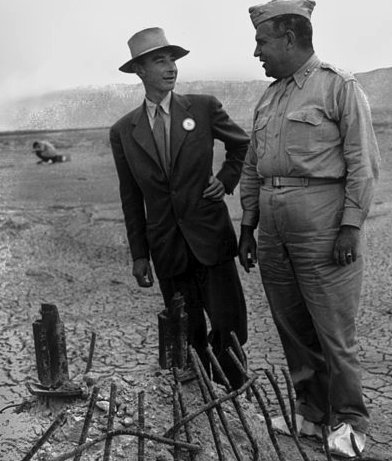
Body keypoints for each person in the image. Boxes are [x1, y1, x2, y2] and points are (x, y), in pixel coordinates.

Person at [239, 0, 380, 457]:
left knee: (334, 329)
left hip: (323, 224)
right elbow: (252, 164)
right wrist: (248, 223)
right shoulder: (270, 96)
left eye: (262, 41)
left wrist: (350, 226)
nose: (256, 51)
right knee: (292, 325)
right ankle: (312, 413)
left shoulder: (338, 86)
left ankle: (352, 422)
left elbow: (363, 162)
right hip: (273, 230)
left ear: (290, 38)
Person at [110, 27, 249, 389]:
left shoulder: (202, 107)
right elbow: (130, 197)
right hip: (167, 249)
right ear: (140, 70)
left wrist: (226, 178)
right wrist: (140, 255)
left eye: (172, 59)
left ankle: (235, 403)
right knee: (186, 336)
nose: (171, 67)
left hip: (210, 241)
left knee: (228, 330)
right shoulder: (124, 130)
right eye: (160, 60)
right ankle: (199, 409)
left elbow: (242, 147)